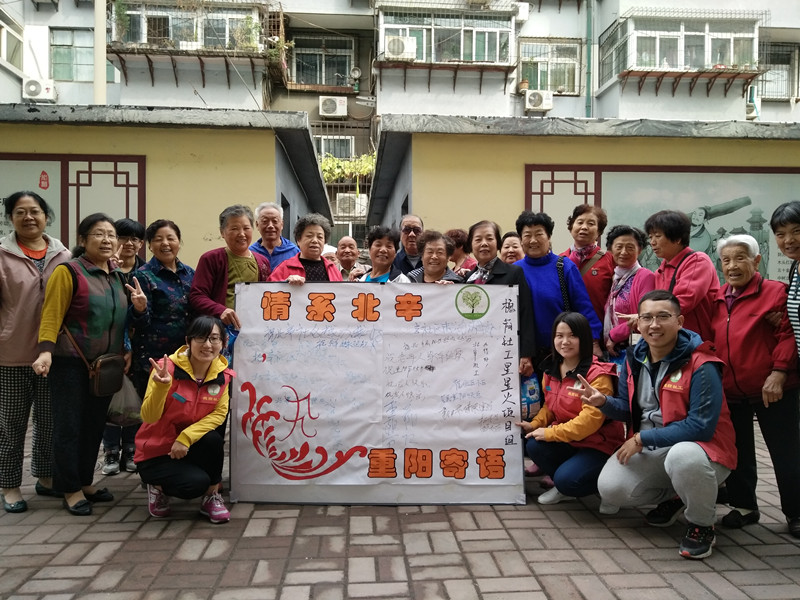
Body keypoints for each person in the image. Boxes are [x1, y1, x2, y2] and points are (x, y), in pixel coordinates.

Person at [575, 290, 736, 560]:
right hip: (654, 448)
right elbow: (627, 409)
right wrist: (603, 401)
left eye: (663, 317)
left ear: (679, 321)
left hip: (702, 451)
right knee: (611, 488)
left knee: (683, 458)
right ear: (637, 323)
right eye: (646, 318)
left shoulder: (702, 363)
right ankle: (678, 496)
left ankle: (701, 523)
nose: (654, 325)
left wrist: (641, 439)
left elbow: (700, 426)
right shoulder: (634, 358)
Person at [33, 213, 129, 516]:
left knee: (94, 425)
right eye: (99, 234)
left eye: (111, 235)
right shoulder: (69, 272)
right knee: (68, 427)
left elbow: (121, 320)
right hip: (70, 364)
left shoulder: (117, 276)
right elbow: (51, 314)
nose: (106, 240)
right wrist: (45, 351)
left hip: (104, 366)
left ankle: (85, 481)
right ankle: (69, 488)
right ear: (83, 240)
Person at [713, 234, 800, 538]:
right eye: (726, 260)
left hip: (773, 388)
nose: (732, 266)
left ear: (756, 260)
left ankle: (796, 511)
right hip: (731, 390)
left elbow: (788, 335)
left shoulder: (776, 293)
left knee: (786, 452)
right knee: (738, 452)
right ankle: (744, 506)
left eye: (740, 258)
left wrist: (779, 372)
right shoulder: (717, 298)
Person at [0, 191, 70, 513]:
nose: (29, 217)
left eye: (35, 211)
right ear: (10, 218)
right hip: (11, 354)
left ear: (46, 216)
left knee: (49, 420)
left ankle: (45, 476)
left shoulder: (62, 254)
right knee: (11, 424)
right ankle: (10, 486)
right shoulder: (3, 254)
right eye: (20, 212)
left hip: (54, 353)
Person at [517, 312, 623, 507]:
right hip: (569, 441)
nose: (565, 342)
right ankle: (565, 483)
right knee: (533, 444)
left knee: (568, 481)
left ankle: (609, 488)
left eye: (572, 336)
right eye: (559, 336)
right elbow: (549, 406)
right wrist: (535, 425)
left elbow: (588, 423)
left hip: (598, 445)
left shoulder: (597, 375)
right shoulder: (551, 367)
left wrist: (550, 433)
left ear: (585, 339)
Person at [135, 316, 233, 524]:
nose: (208, 345)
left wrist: (186, 437)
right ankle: (157, 486)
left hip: (186, 447)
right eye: (201, 338)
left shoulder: (222, 376)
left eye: (214, 338)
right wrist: (161, 387)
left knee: (213, 440)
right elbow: (149, 417)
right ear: (188, 341)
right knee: (194, 485)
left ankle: (212, 496)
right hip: (156, 451)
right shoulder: (166, 369)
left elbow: (219, 414)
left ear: (223, 343)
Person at [125, 219, 195, 466]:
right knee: (153, 414)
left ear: (179, 242)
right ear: (150, 245)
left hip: (185, 358)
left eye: (170, 238)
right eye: (158, 239)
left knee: (180, 410)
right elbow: (139, 323)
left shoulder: (190, 274)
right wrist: (140, 308)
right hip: (154, 359)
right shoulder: (143, 276)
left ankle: (178, 462)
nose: (165, 244)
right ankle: (152, 467)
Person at [514, 211, 603, 366]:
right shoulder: (514, 271)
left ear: (549, 237)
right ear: (521, 240)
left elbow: (583, 306)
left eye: (539, 234)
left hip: (562, 353)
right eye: (527, 235)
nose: (533, 240)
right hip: (523, 355)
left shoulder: (564, 267)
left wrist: (594, 341)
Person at [101, 217, 146, 476]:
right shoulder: (104, 269)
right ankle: (110, 450)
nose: (129, 243)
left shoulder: (145, 272)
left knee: (134, 397)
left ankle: (130, 449)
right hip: (108, 343)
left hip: (138, 346)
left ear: (141, 244)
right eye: (123, 237)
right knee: (108, 394)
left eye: (135, 238)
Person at [463, 220, 534, 373]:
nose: (484, 243)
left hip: (506, 350)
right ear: (471, 245)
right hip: (476, 351)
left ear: (498, 243)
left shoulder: (514, 273)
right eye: (478, 239)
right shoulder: (468, 278)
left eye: (489, 238)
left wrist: (526, 354)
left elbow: (526, 313)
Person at [190, 205, 271, 335]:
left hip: (253, 331)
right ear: (222, 232)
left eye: (246, 228)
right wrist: (220, 310)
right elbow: (197, 296)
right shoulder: (211, 259)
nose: (242, 234)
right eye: (234, 229)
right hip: (221, 331)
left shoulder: (263, 262)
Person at [645, 210, 719, 342]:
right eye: (650, 237)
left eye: (657, 236)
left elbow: (682, 302)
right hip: (672, 343)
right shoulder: (660, 271)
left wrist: (646, 316)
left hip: (696, 343)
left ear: (677, 238)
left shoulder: (697, 261)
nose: (652, 242)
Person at [603, 225, 655, 360]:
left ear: (640, 250)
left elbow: (644, 316)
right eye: (619, 247)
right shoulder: (615, 278)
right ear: (610, 250)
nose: (624, 252)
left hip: (636, 348)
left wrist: (614, 336)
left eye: (630, 247)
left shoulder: (645, 276)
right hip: (614, 348)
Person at [560, 205, 615, 325]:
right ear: (571, 226)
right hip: (566, 329)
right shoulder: (560, 260)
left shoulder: (609, 259)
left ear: (599, 231)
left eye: (591, 223)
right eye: (580, 222)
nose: (584, 227)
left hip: (598, 328)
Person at [269, 213, 343, 283]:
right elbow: (268, 289)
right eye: (309, 236)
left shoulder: (332, 269)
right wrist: (284, 283)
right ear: (298, 240)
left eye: (320, 237)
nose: (315, 241)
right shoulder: (285, 267)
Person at [249, 202, 299, 270]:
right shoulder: (250, 253)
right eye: (265, 221)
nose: (270, 226)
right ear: (257, 225)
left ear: (282, 225)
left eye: (275, 221)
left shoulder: (294, 252)